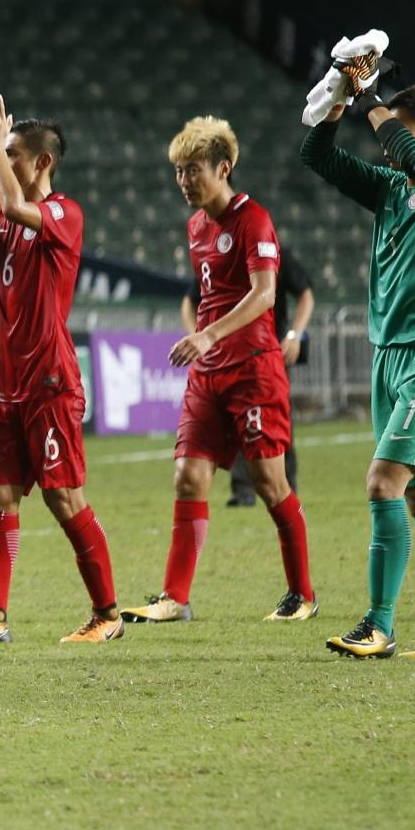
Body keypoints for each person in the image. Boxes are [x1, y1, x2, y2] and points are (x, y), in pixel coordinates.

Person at [302, 62, 415, 660]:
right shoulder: (389, 189)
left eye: (401, 134)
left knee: (383, 481)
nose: (386, 146)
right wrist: (337, 103)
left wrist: (371, 97)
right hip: (389, 360)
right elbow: (316, 155)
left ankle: (378, 625)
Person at [0, 95, 123, 644]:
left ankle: (107, 615)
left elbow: (18, 207)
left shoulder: (64, 213)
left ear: (42, 162)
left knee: (65, 499)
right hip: (4, 386)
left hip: (50, 383)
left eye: (13, 152)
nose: (5, 157)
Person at [121, 117, 317, 627]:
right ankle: (175, 598)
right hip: (209, 375)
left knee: (270, 482)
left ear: (223, 168)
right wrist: (203, 340)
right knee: (188, 476)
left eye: (194, 170)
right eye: (179, 171)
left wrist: (209, 334)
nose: (184, 181)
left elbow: (265, 294)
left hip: (254, 370)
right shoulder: (196, 227)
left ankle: (302, 594)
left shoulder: (254, 220)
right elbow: (207, 296)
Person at [184, 245, 314, 505]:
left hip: (269, 353)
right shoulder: (217, 253)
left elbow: (305, 294)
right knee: (236, 421)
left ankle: (287, 487)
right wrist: (198, 337)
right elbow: (189, 302)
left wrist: (295, 334)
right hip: (228, 354)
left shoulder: (276, 253)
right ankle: (243, 492)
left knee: (278, 421)